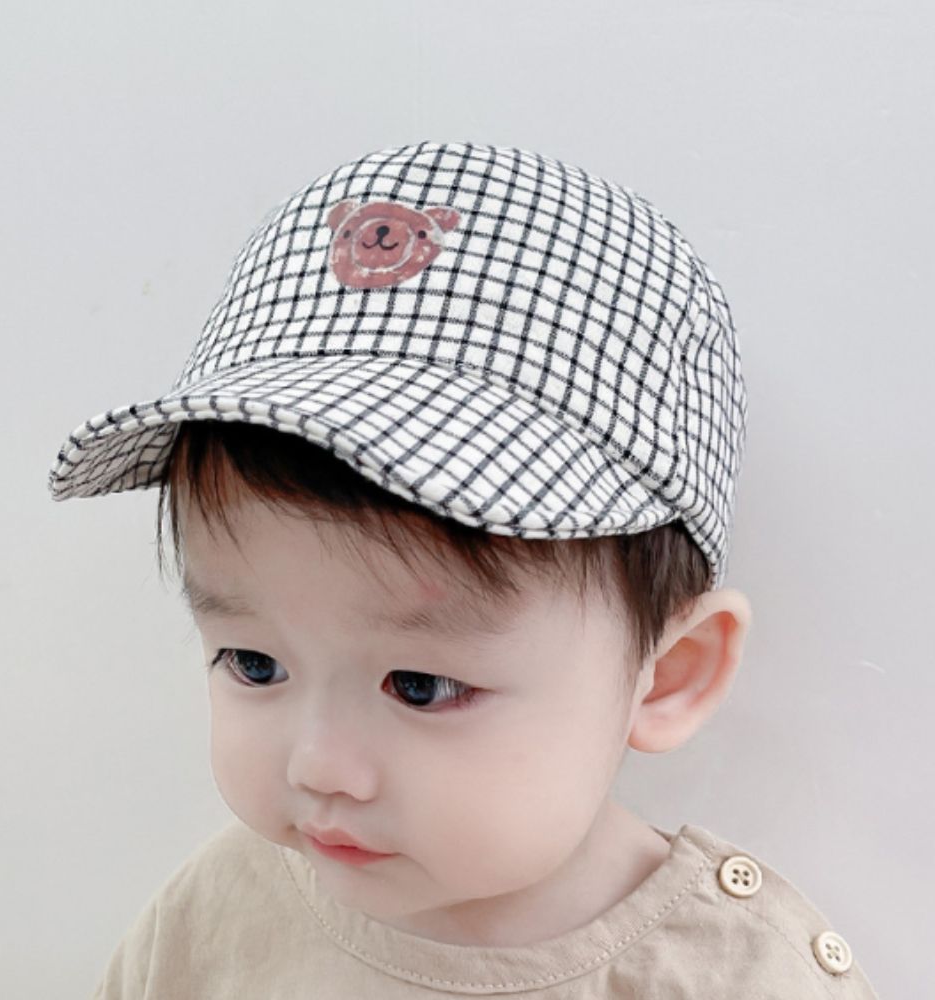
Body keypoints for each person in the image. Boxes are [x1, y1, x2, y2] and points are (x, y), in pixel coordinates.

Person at [50, 141, 880, 998]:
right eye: (254, 664)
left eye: (422, 687)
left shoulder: (735, 979)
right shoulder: (218, 924)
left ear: (668, 674)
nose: (318, 766)